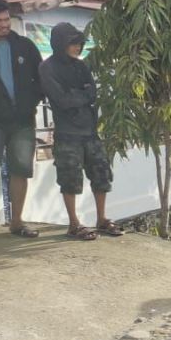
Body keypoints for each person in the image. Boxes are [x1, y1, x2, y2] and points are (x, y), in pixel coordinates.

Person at [39, 23, 125, 239]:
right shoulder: (47, 68)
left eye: (79, 43)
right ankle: (74, 224)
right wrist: (81, 94)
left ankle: (102, 219)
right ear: (60, 44)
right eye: (73, 43)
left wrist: (76, 94)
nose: (78, 47)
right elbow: (61, 100)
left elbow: (92, 93)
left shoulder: (81, 66)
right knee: (69, 179)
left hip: (90, 131)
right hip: (67, 134)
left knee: (101, 174)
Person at [0, 0, 44, 238]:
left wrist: (29, 103)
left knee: (21, 170)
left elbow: (41, 78)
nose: (4, 24)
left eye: (6, 19)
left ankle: (17, 222)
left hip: (22, 120)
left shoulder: (25, 46)